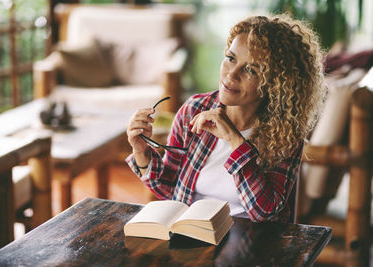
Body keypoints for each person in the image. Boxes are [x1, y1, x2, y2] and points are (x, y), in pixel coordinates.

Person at [126, 13, 326, 222]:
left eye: (251, 70)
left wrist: (234, 140)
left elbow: (265, 212)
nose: (231, 74)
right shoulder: (193, 110)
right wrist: (141, 152)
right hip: (189, 234)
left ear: (275, 84)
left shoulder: (284, 132)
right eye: (231, 58)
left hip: (250, 243)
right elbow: (169, 189)